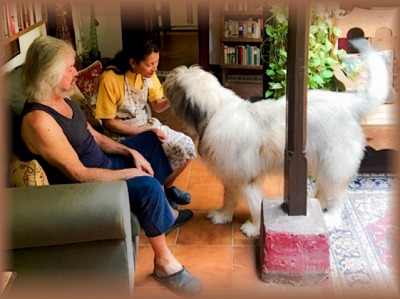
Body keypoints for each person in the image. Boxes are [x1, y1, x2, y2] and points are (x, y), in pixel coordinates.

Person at [18, 35, 202, 296]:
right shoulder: (39, 121)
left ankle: (159, 209)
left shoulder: (62, 99)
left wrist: (129, 152)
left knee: (150, 140)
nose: (75, 71)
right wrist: (129, 171)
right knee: (147, 184)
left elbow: (95, 136)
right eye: (69, 67)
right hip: (86, 187)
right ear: (49, 73)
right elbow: (79, 174)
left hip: (104, 163)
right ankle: (163, 262)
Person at [96, 38, 196, 210]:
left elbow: (157, 105)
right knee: (159, 148)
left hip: (146, 125)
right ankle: (159, 196)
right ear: (133, 62)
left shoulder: (148, 74)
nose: (155, 68)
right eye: (150, 64)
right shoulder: (110, 78)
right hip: (121, 133)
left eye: (156, 63)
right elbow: (108, 122)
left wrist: (176, 95)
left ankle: (166, 186)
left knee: (187, 147)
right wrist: (144, 133)